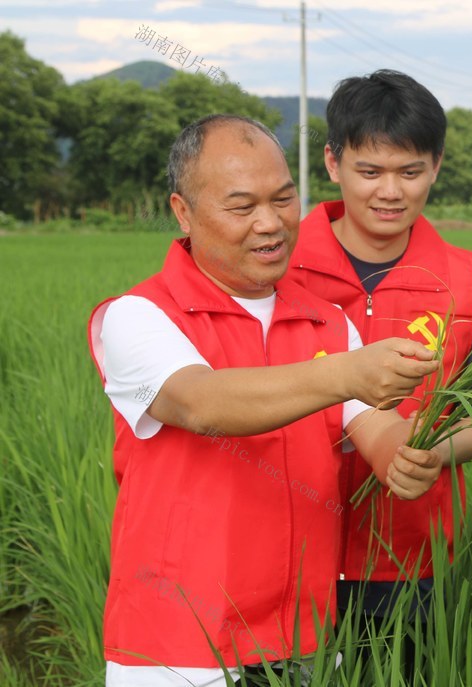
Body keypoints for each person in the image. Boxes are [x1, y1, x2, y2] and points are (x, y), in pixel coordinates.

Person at [88, 114, 448, 686]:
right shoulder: (139, 315)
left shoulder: (327, 323)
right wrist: (344, 373)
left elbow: (374, 427)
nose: (270, 223)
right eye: (241, 207)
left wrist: (406, 456)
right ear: (183, 212)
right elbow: (201, 403)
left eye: (283, 199)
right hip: (178, 648)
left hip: (301, 638)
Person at [287, 69, 472, 668]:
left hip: (411, 559)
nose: (390, 191)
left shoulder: (464, 282)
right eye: (370, 171)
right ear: (333, 162)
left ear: (436, 167)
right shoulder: (279, 270)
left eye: (409, 172)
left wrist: (435, 454)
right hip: (287, 547)